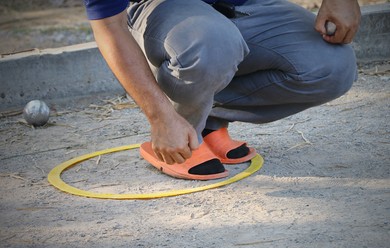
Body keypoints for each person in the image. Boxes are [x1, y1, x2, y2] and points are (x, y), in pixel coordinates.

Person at [84, 0, 361, 180]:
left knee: (333, 65)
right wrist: (159, 116)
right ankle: (181, 131)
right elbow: (109, 26)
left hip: (245, 5)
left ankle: (207, 123)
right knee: (213, 42)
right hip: (164, 9)